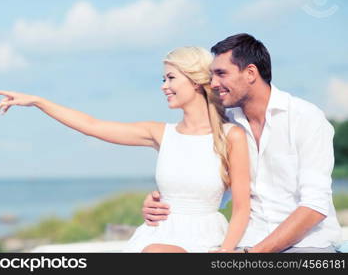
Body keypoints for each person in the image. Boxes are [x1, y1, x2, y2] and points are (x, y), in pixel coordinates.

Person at [0, 46, 250, 253]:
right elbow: (92, 126)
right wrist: (39, 102)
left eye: (171, 78)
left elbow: (241, 207)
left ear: (195, 82)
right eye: (163, 78)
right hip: (157, 234)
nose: (163, 86)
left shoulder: (231, 135)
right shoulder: (160, 133)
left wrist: (226, 252)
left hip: (206, 241)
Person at [142, 34, 342, 253]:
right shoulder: (225, 124)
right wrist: (162, 203)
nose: (213, 83)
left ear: (250, 73)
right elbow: (212, 187)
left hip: (307, 244)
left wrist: (251, 255)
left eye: (221, 74)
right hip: (247, 242)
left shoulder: (305, 118)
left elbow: (314, 207)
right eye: (212, 75)